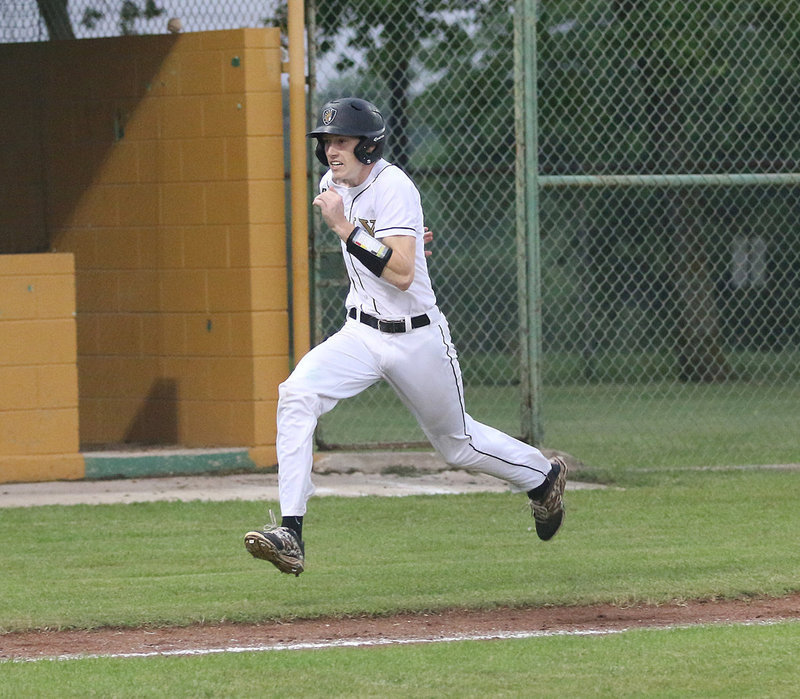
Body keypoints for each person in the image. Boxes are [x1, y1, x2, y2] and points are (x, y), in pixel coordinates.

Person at [244, 97, 567, 576]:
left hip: (415, 338)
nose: (331, 151)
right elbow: (389, 252)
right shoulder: (333, 184)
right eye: (327, 142)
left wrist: (347, 229)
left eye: (342, 141)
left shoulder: (394, 185)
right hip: (360, 332)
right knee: (296, 395)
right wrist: (395, 238)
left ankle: (542, 476)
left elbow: (399, 274)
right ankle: (291, 532)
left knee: (457, 445)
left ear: (368, 147)